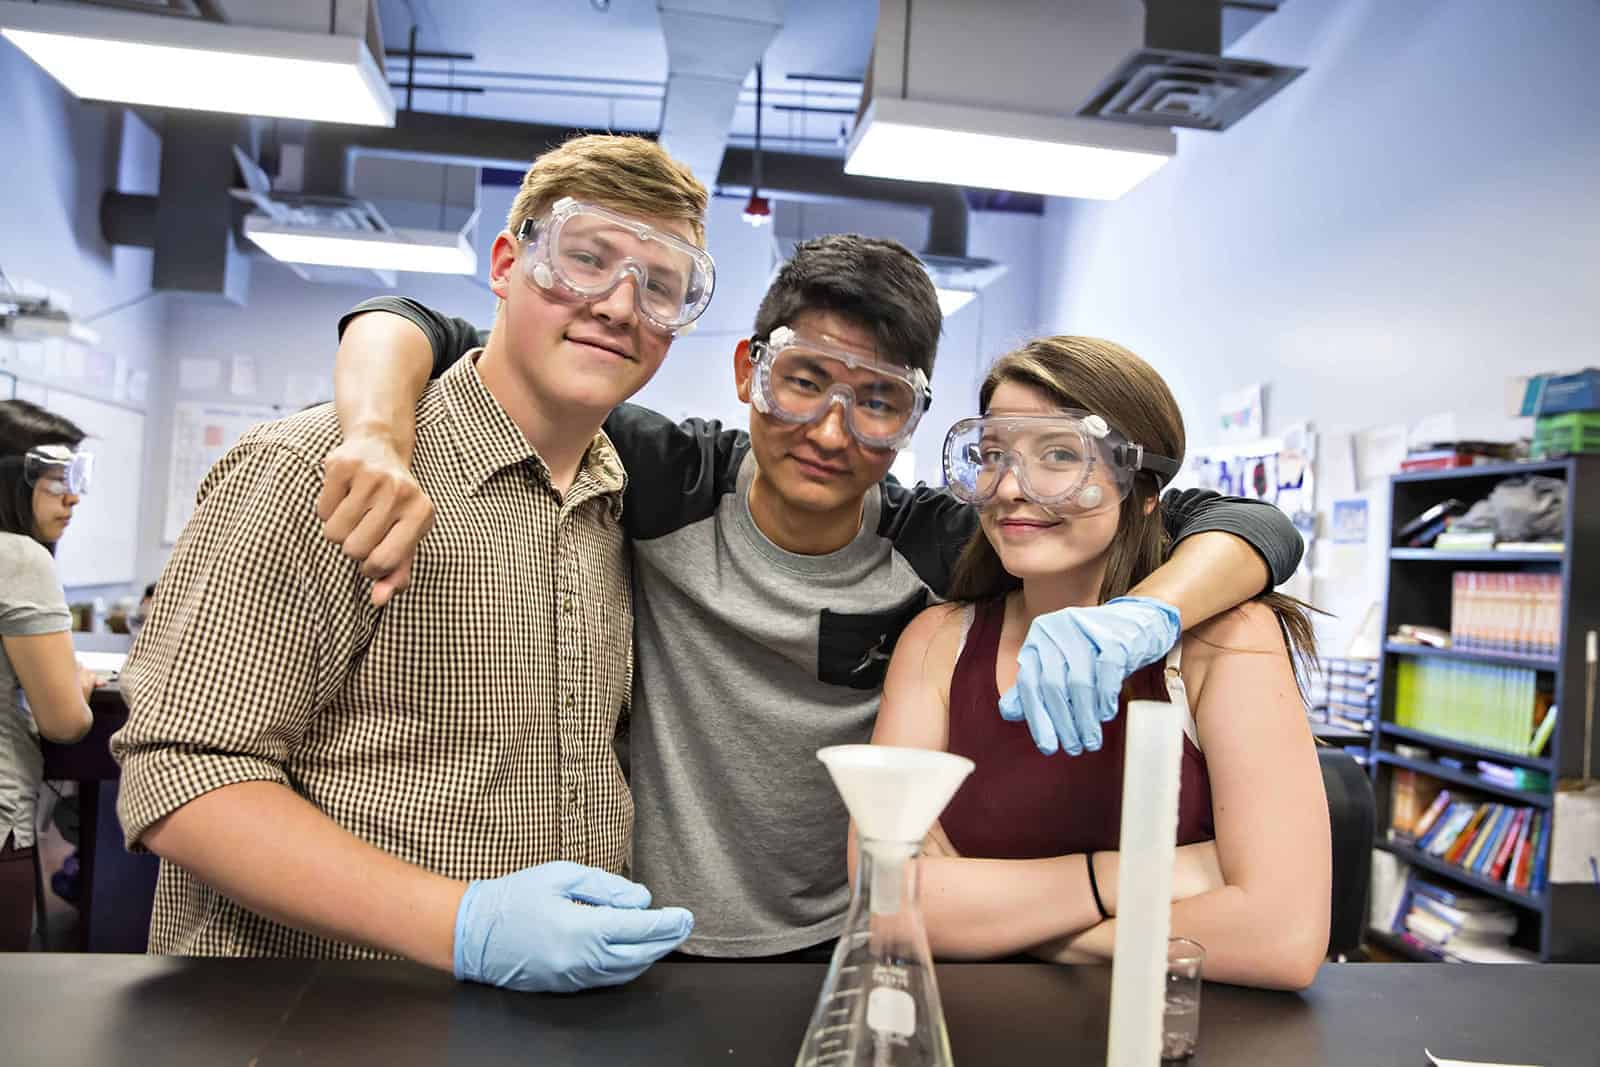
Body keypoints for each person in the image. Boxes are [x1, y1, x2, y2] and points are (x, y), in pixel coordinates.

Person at [317, 241, 1307, 962]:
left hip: (842, 951)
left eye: (876, 399)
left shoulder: (945, 539)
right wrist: (369, 429)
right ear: (750, 371)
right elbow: (428, 328)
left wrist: (1151, 611)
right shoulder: (667, 479)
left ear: (913, 417)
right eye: (802, 382)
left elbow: (1240, 517)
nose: (831, 430)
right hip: (640, 931)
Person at [109, 134, 710, 992]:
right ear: (507, 264)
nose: (620, 305)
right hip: (313, 1021)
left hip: (531, 1024)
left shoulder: (613, 506)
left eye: (661, 286)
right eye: (586, 260)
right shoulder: (316, 469)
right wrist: (462, 926)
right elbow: (183, 774)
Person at [864, 336, 1331, 990]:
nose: (1009, 488)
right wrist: (1145, 876)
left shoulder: (1227, 640)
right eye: (993, 454)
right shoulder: (936, 643)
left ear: (1143, 492)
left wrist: (996, 923)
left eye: (1059, 455)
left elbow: (1281, 937)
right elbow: (887, 906)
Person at [0, 400, 97, 950]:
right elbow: (64, 721)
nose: (73, 497)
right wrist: (75, 686)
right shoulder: (18, 557)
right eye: (58, 481)